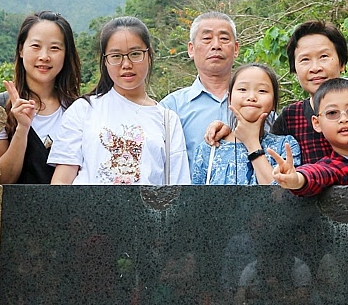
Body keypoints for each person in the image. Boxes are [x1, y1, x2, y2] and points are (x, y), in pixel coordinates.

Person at [206, 21, 348, 165]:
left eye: (324, 57)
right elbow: (260, 145)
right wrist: (228, 132)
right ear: (295, 70)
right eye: (305, 60)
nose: (315, 68)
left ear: (342, 63)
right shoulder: (290, 117)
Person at [50, 17, 190, 185]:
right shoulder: (83, 110)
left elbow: (177, 189)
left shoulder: (167, 120)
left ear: (149, 55)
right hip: (87, 211)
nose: (126, 64)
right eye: (116, 56)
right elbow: (61, 182)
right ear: (105, 61)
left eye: (135, 54)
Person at [0, 11, 82, 184]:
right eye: (36, 46)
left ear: (66, 55)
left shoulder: (80, 110)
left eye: (55, 48)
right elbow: (0, 180)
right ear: (21, 50)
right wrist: (22, 128)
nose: (44, 56)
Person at [191, 63, 301, 185]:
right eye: (243, 89)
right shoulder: (208, 149)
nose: (252, 97)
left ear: (274, 102)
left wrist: (252, 144)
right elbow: (196, 201)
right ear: (229, 98)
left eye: (262, 91)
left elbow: (279, 198)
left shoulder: (285, 146)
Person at [162, 11, 240, 161]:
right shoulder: (171, 108)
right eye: (206, 39)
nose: (216, 45)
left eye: (224, 38)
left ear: (236, 49)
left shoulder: (257, 102)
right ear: (191, 49)